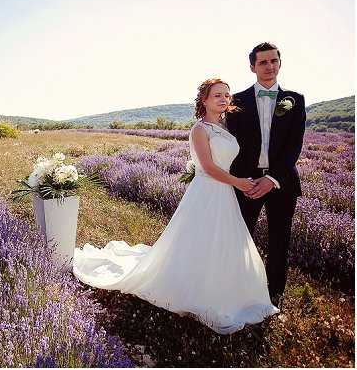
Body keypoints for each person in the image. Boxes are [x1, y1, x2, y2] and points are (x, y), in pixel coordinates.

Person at [73, 78, 279, 335]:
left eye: (227, 95)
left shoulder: (225, 128)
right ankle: (196, 291)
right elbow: (207, 167)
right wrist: (238, 182)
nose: (224, 99)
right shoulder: (200, 130)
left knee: (223, 241)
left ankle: (227, 289)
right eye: (217, 95)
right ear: (204, 100)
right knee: (199, 239)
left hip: (224, 192)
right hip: (207, 191)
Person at [226, 42, 306, 307]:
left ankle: (274, 296)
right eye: (263, 62)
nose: (269, 67)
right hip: (246, 182)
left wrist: (272, 179)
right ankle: (239, 289)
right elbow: (232, 143)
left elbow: (295, 145)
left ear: (280, 63)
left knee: (280, 240)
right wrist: (240, 180)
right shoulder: (236, 101)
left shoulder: (295, 99)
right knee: (241, 237)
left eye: (274, 61)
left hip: (281, 183)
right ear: (252, 67)